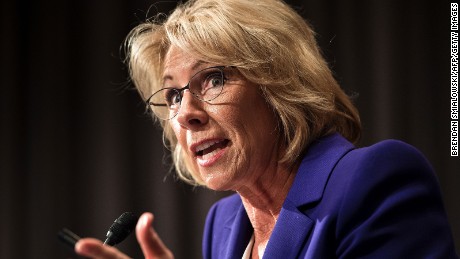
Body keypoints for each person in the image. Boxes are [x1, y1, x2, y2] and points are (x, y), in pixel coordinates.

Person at [75, 0, 458, 258]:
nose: (186, 113)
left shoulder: (376, 181)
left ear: (278, 86)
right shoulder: (223, 225)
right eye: (173, 94)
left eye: (214, 78)